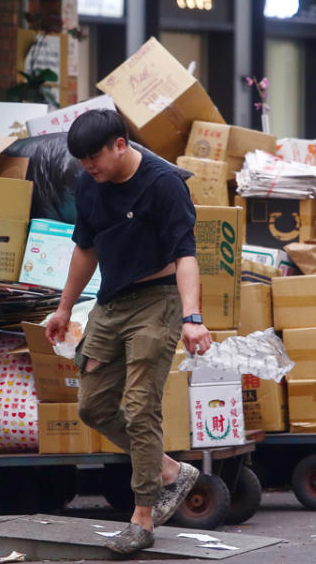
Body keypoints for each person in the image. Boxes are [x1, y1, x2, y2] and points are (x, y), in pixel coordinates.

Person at [45, 109, 212, 555]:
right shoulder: (91, 183)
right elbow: (86, 247)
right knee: (94, 407)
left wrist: (192, 318)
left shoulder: (164, 184)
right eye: (80, 160)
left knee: (141, 408)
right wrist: (63, 308)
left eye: (94, 157)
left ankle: (142, 517)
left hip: (157, 300)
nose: (88, 167)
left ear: (121, 144)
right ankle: (170, 472)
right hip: (111, 302)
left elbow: (186, 255)